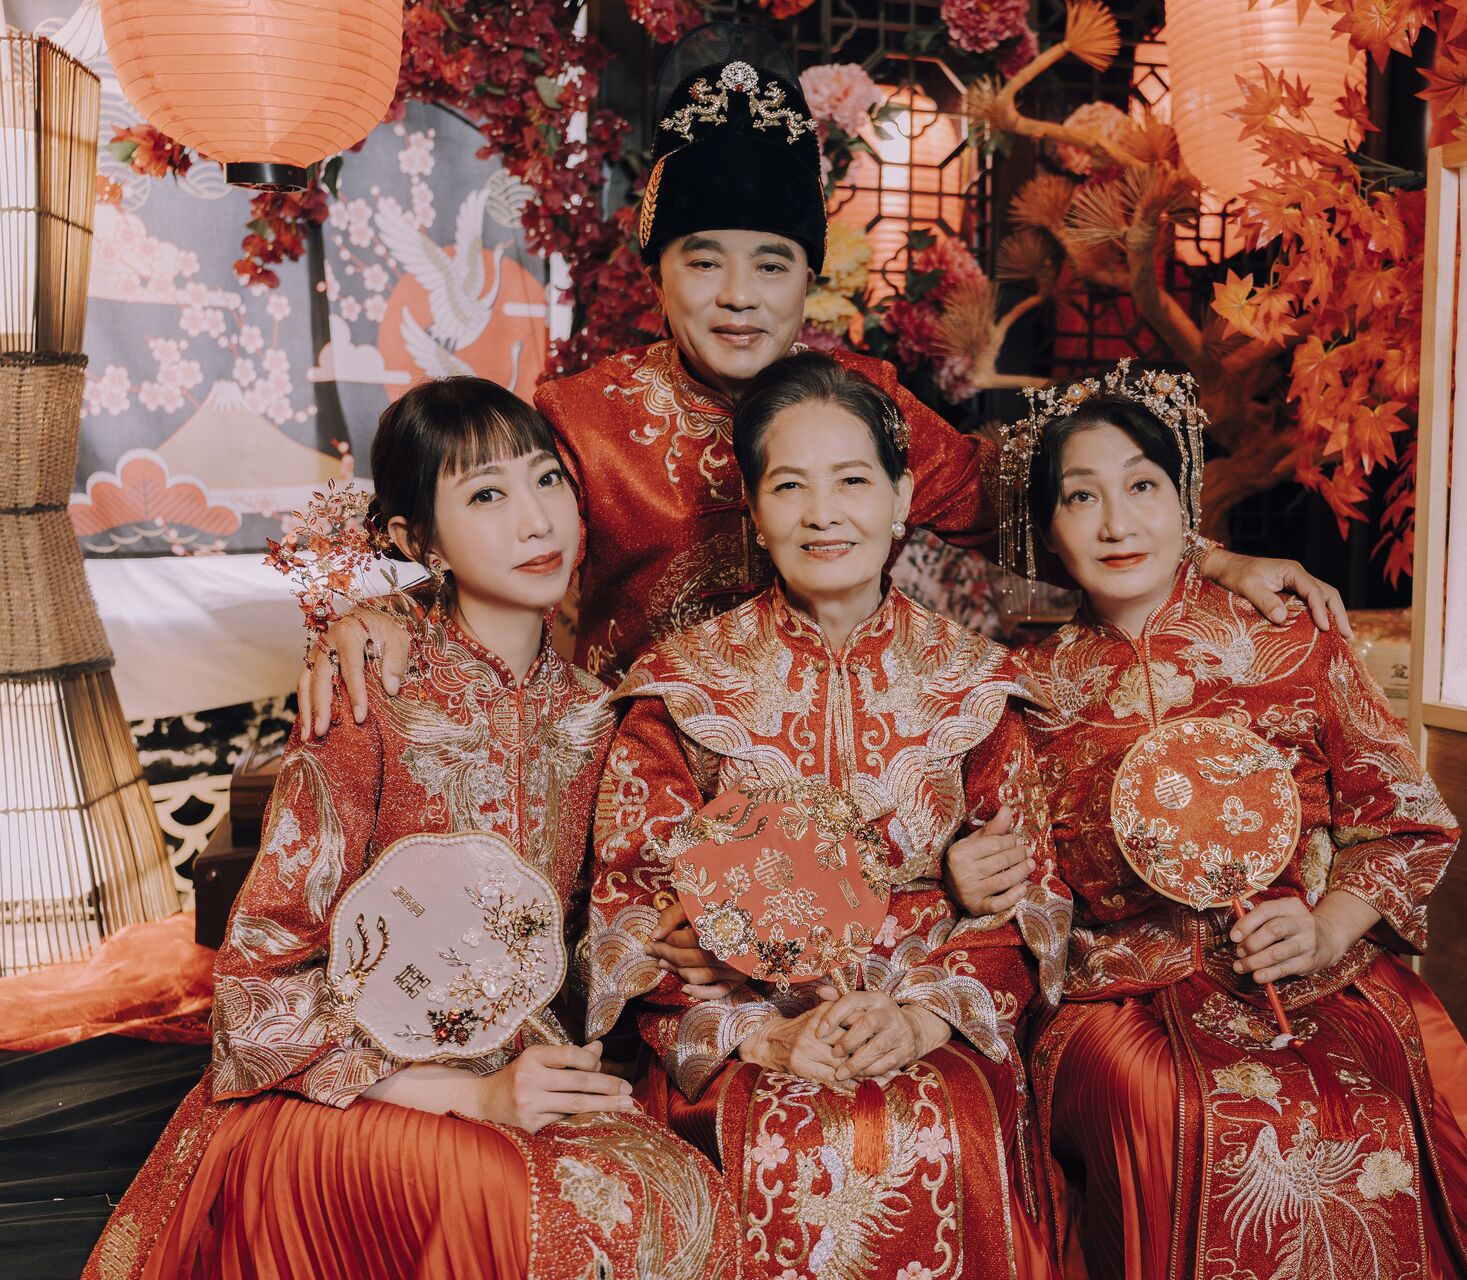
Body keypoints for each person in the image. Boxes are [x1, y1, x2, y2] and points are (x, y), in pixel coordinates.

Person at [296, 22, 1349, 741]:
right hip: (641, 776)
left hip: (843, 766)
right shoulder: (583, 414)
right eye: (704, 261)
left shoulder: (862, 403)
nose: (738, 296)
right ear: (656, 271)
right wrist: (387, 618)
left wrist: (1214, 559)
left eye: (772, 265)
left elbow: (1026, 504)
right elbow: (496, 546)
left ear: (812, 277)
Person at [84, 379, 740, 1280]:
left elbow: (587, 949)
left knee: (677, 1190)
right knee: (525, 1207)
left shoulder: (598, 717)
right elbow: (257, 986)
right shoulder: (371, 696)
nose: (536, 521)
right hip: (350, 1090)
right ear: (414, 540)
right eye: (486, 495)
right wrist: (466, 1094)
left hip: (528, 1074)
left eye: (548, 480)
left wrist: (678, 946)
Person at [943, 364, 1467, 1280]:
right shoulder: (1027, 688)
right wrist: (974, 877)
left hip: (1307, 975)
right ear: (1046, 526)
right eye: (1081, 496)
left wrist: (1328, 928)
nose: (1117, 524)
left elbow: (1408, 820)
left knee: (1355, 1114)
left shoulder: (1290, 638)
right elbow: (1026, 885)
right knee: (1172, 1109)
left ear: (1184, 504)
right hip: (1119, 1000)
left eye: (1143, 487)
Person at [584, 352, 1072, 1280]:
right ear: (753, 512)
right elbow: (628, 906)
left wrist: (923, 1020)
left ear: (901, 498)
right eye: (789, 486)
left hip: (926, 1011)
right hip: (742, 1031)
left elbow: (1031, 899)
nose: (822, 513)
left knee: (937, 1126)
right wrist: (759, 1030)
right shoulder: (681, 687)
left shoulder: (975, 684)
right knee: (778, 1140)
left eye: (852, 481)